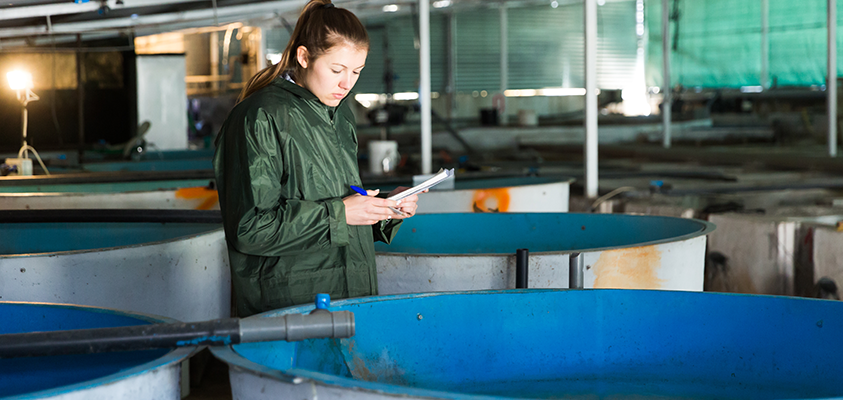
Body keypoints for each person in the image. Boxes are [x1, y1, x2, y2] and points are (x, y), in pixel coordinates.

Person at [213, 0, 420, 317]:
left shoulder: (338, 114)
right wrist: (341, 213)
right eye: (337, 70)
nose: (346, 84)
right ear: (304, 57)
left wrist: (382, 210)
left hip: (352, 293)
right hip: (291, 304)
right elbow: (251, 228)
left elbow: (340, 202)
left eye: (356, 72)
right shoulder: (260, 117)